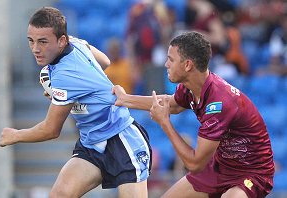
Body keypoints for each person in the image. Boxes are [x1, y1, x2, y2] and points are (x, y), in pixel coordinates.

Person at [0, 7, 151, 198]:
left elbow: (50, 130)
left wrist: (15, 135)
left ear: (61, 40)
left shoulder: (64, 76)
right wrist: (79, 91)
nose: (36, 49)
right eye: (31, 41)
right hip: (91, 143)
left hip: (122, 140)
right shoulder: (76, 42)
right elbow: (104, 61)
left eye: (43, 42)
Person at [112, 31, 274, 198]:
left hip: (252, 171)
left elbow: (194, 163)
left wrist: (165, 123)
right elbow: (171, 104)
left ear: (188, 65)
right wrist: (125, 99)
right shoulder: (190, 87)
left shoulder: (218, 104)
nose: (166, 64)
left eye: (171, 59)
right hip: (221, 166)